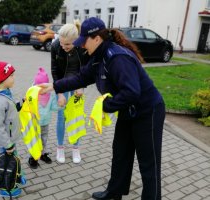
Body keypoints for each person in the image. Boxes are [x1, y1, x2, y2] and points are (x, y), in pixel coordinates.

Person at [40, 17, 165, 200]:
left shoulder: (117, 57)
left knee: (149, 163)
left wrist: (104, 106)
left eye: (84, 42)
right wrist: (55, 86)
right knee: (120, 153)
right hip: (127, 110)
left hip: (148, 111)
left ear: (97, 39)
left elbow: (132, 92)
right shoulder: (98, 58)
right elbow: (81, 78)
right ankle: (114, 192)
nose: (82, 46)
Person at [0, 61, 26, 198]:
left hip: (10, 139)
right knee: (8, 164)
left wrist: (21, 103)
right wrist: (7, 144)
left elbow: (12, 108)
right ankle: (7, 187)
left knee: (13, 160)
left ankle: (16, 178)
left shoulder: (6, 93)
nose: (14, 78)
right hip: (6, 141)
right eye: (11, 76)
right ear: (2, 79)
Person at [51, 21, 89, 164]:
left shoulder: (82, 47)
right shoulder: (56, 46)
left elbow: (86, 70)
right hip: (62, 82)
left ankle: (75, 148)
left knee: (76, 116)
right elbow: (54, 71)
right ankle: (60, 148)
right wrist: (59, 93)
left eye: (67, 44)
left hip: (77, 83)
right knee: (62, 116)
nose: (63, 47)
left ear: (76, 41)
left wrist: (81, 86)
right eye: (61, 44)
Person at [28, 67, 59, 169]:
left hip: (45, 121)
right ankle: (33, 157)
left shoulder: (51, 94)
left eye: (44, 87)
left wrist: (61, 105)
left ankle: (42, 153)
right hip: (35, 122)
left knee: (44, 138)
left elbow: (54, 106)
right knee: (35, 140)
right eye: (40, 87)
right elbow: (27, 106)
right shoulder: (32, 93)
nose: (42, 90)